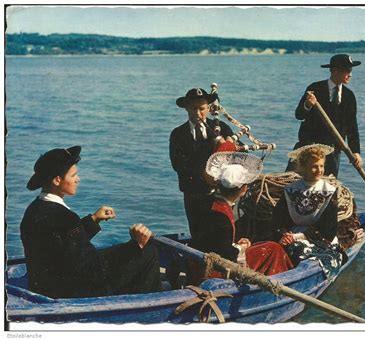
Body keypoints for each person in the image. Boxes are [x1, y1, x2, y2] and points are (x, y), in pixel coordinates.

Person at [20, 146, 162, 298]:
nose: (78, 179)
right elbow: (92, 268)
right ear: (57, 180)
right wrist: (136, 245)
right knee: (148, 251)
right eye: (73, 175)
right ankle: (147, 305)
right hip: (74, 292)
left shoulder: (34, 210)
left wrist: (94, 220)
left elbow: (63, 242)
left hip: (45, 287)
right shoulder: (65, 217)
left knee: (123, 251)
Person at [193, 152, 293, 277]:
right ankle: (279, 281)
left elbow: (215, 242)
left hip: (199, 260)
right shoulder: (222, 216)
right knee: (273, 248)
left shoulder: (208, 205)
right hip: (217, 269)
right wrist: (242, 247)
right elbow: (226, 255)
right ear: (243, 189)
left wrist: (236, 245)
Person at [169, 88, 236, 242]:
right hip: (193, 195)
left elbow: (236, 155)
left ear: (209, 108)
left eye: (202, 108)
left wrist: (231, 144)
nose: (198, 113)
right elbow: (178, 164)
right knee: (198, 235)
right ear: (186, 108)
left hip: (220, 194)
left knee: (221, 236)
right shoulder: (178, 134)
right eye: (193, 108)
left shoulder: (221, 128)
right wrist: (203, 173)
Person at [273, 144, 364, 251]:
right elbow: (278, 220)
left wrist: (297, 237)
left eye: (321, 166)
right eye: (314, 166)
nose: (319, 170)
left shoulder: (329, 191)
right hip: (293, 234)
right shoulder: (290, 189)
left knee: (299, 250)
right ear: (303, 167)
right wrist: (285, 235)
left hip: (320, 239)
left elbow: (328, 229)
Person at [288, 54, 363, 177]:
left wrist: (356, 152)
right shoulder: (314, 89)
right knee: (295, 182)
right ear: (334, 71)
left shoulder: (349, 96)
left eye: (351, 71)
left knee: (327, 188)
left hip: (333, 152)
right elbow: (299, 115)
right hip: (309, 148)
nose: (350, 74)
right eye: (347, 71)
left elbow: (352, 127)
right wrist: (307, 104)